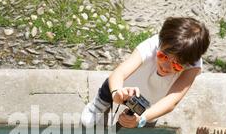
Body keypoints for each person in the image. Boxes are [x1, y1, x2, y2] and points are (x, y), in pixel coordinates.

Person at [81, 17, 210, 128]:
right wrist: (116, 93)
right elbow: (119, 72)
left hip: (151, 102)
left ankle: (142, 117)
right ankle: (100, 103)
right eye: (163, 56)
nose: (165, 67)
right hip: (126, 87)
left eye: (176, 65)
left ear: (189, 63)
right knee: (108, 90)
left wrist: (142, 118)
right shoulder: (152, 45)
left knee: (144, 118)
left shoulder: (193, 66)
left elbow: (172, 101)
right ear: (161, 42)